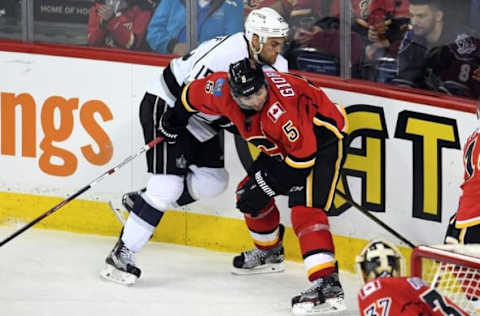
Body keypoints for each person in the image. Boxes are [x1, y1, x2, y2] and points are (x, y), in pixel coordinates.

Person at [99, 7, 289, 286]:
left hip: (202, 116)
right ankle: (122, 254)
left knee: (214, 182)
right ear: (256, 40)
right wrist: (173, 122)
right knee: (167, 186)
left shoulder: (278, 66)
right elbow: (188, 92)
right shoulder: (225, 54)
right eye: (273, 43)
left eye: (281, 43)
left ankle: (141, 203)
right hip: (169, 105)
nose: (278, 49)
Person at [158, 58, 348, 314]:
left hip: (322, 139)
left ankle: (327, 284)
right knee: (247, 194)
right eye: (248, 97)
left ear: (264, 82)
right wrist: (173, 120)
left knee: (305, 209)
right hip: (282, 145)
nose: (257, 99)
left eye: (259, 91)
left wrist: (267, 185)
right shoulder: (220, 88)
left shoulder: (282, 109)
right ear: (233, 93)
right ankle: (270, 253)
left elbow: (302, 161)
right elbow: (190, 96)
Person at [356, 239, 469, 315]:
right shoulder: (409, 283)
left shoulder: (362, 296)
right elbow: (447, 310)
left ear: (364, 272)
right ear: (396, 266)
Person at [392, 0, 472, 89]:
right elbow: (404, 82)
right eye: (411, 15)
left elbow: (456, 93)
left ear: (438, 16)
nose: (414, 22)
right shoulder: (411, 38)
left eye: (421, 16)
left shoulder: (461, 43)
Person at [145, 0, 243, 55]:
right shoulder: (172, 1)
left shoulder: (233, 5)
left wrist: (198, 52)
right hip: (166, 63)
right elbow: (154, 32)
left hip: (207, 71)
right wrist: (172, 46)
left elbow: (233, 44)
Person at [87, 0, 157, 50]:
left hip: (128, 63)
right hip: (102, 59)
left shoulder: (144, 8)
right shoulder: (100, 3)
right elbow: (93, 42)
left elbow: (133, 44)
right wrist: (102, 23)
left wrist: (112, 21)